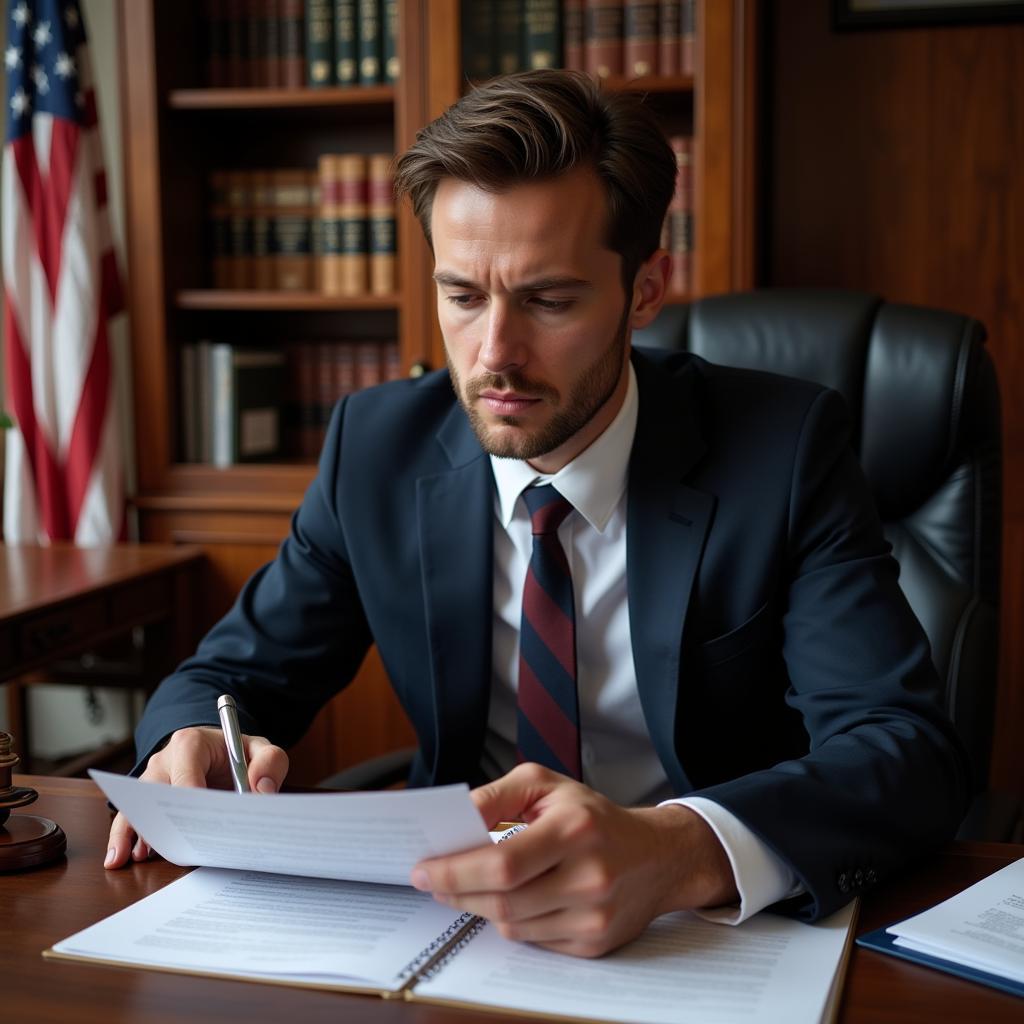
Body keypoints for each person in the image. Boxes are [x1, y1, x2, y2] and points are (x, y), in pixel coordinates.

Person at [105, 69, 969, 958]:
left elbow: (903, 752)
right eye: (463, 296)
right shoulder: (378, 448)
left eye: (549, 300)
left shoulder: (783, 451)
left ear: (643, 289)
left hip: (700, 932)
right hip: (454, 922)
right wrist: (194, 737)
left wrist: (680, 850)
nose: (495, 355)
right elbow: (231, 677)